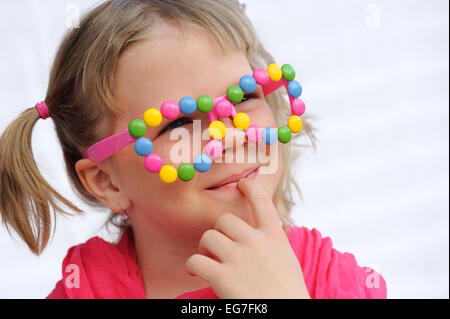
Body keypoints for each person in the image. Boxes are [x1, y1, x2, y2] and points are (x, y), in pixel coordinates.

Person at [0, 0, 386, 299]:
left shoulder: (330, 279)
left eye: (245, 95)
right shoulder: (87, 288)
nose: (232, 137)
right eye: (180, 123)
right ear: (107, 181)